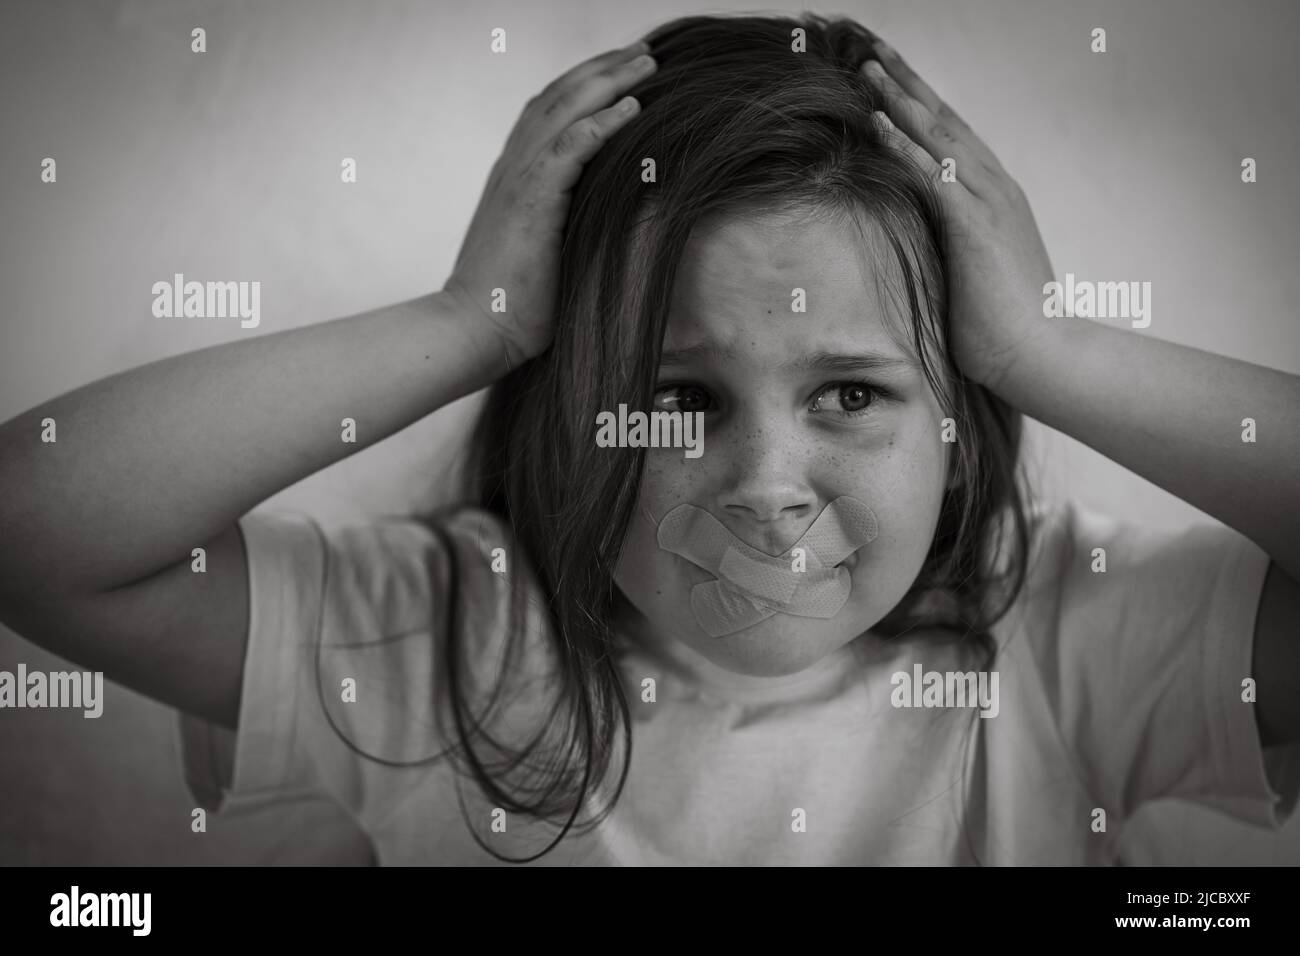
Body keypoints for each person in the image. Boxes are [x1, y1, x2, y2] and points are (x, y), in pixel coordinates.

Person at [2, 13, 1298, 865]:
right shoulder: (434, 640)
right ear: (569, 412)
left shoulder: (1068, 635)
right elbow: (34, 527)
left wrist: (1049, 353)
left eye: (850, 393)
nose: (767, 492)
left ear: (961, 425)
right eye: (678, 402)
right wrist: (468, 323)